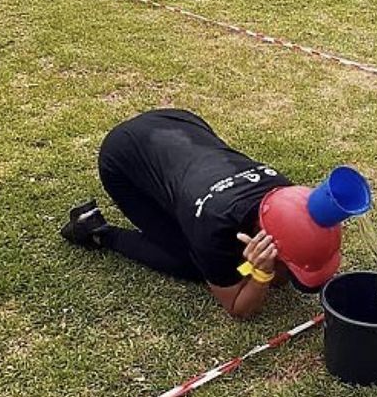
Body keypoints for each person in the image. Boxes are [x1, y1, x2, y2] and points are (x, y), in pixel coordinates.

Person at [60, 109, 345, 319]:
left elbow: (286, 274)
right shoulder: (213, 226)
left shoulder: (286, 193)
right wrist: (259, 274)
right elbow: (238, 309)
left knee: (223, 254)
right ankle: (99, 232)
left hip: (178, 120)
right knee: (189, 262)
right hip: (122, 156)